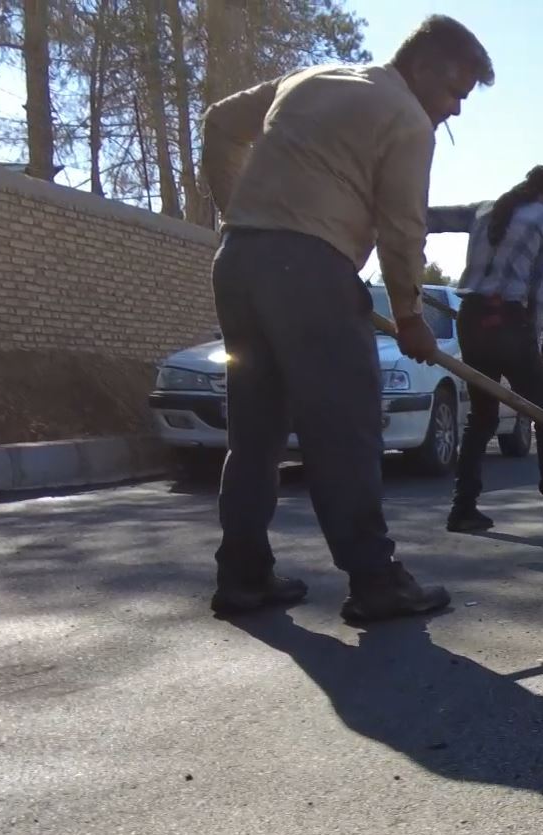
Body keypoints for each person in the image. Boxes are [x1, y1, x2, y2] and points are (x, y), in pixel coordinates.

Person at [198, 15, 492, 623]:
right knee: (346, 429)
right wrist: (409, 314)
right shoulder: (408, 118)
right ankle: (375, 579)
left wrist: (240, 213)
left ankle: (243, 574)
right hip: (311, 271)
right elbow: (403, 225)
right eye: (455, 92)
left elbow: (219, 122)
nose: (455, 110)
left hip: (239, 262)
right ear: (423, 67)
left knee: (254, 432)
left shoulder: (312, 76)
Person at [424, 163, 543, 537]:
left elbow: (427, 217)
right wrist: (532, 343)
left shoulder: (486, 209)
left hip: (471, 318)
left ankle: (463, 509)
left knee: (482, 418)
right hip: (510, 323)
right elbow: (541, 292)